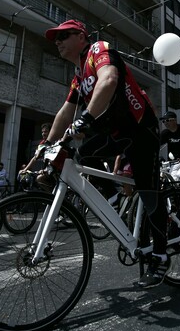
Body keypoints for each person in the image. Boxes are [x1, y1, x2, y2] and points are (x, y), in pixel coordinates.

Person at [38, 19, 166, 288]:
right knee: (82, 156)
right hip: (116, 133)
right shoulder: (78, 77)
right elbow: (63, 112)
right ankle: (112, 196)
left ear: (81, 36)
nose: (58, 42)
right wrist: (45, 143)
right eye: (55, 39)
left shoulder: (98, 50)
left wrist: (84, 119)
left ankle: (161, 255)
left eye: (63, 36)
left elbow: (109, 79)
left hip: (141, 130)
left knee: (148, 191)